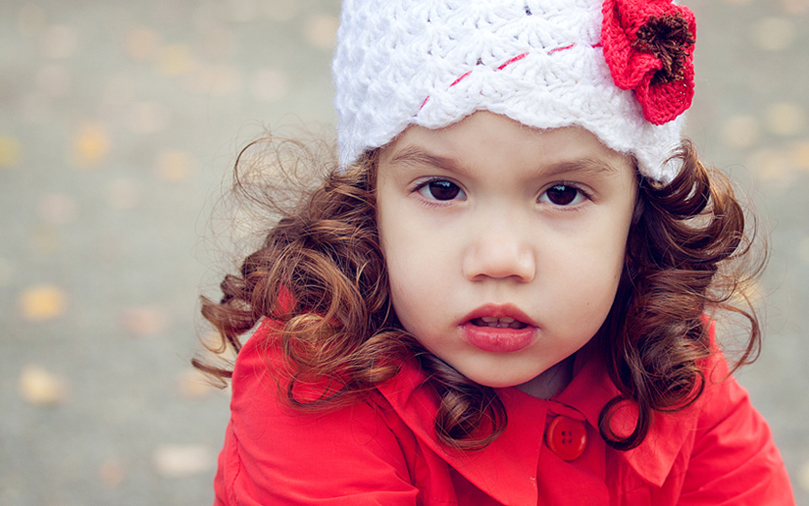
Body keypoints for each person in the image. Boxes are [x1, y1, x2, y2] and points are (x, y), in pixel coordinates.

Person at [196, 0, 797, 504]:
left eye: (562, 194)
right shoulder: (311, 377)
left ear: (637, 212)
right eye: (442, 189)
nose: (501, 258)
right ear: (367, 197)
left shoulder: (669, 355)